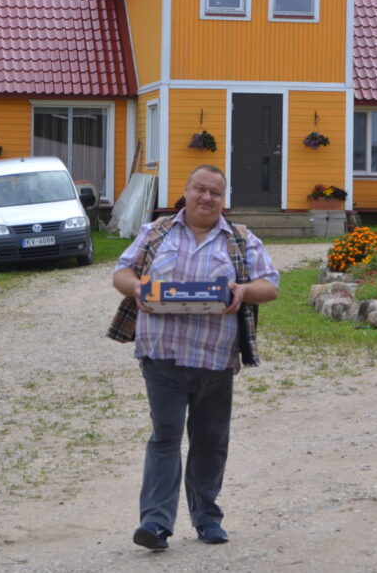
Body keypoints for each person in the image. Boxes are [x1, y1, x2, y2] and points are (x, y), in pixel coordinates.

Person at [109, 164, 279, 551]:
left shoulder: (241, 239)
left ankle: (207, 519)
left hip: (216, 358)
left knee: (210, 441)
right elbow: (121, 273)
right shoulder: (157, 233)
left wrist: (242, 291)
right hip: (162, 354)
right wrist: (138, 288)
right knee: (166, 436)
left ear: (223, 199)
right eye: (200, 189)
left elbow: (270, 285)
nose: (207, 197)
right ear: (185, 191)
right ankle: (155, 523)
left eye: (215, 192)